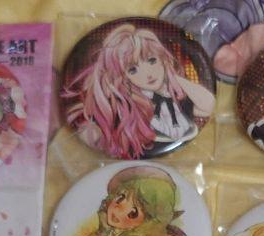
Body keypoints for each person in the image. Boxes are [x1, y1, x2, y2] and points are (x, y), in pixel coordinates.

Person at [63, 21, 215, 159]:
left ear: (163, 59)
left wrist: (172, 76)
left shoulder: (176, 96)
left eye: (152, 60)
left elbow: (208, 106)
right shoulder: (125, 109)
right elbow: (92, 136)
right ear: (123, 77)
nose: (148, 74)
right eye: (132, 70)